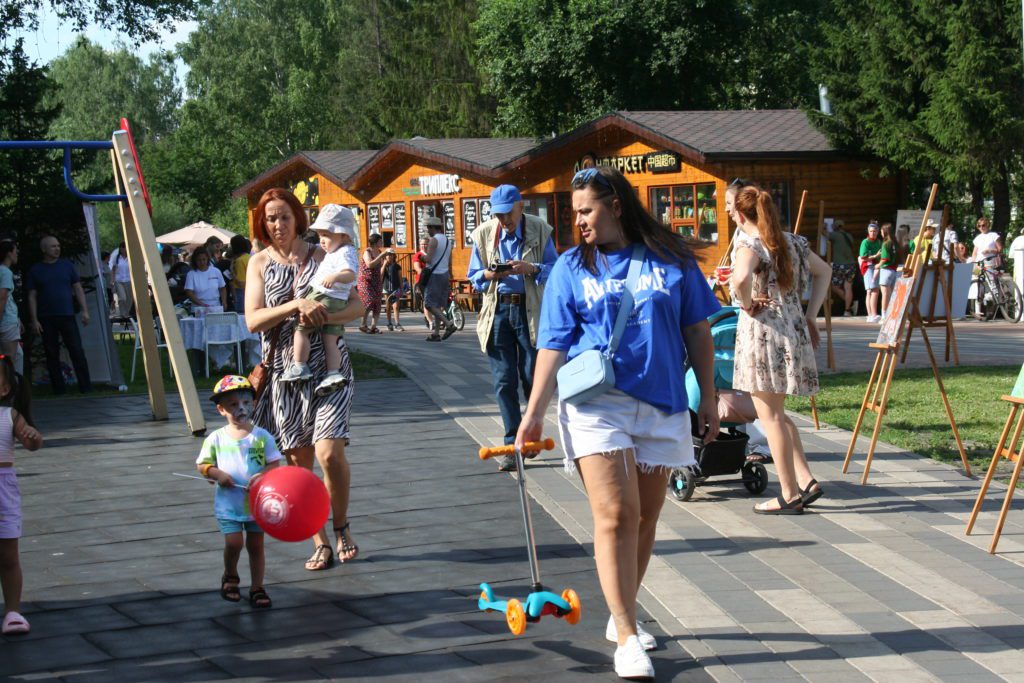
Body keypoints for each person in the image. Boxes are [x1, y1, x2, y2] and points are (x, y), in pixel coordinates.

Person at [515, 166, 720, 680]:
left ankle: (619, 611)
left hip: (662, 402)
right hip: (595, 404)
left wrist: (710, 399)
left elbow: (698, 331)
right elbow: (553, 344)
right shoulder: (569, 266)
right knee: (615, 515)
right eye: (574, 211)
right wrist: (534, 412)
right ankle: (628, 636)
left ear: (616, 205)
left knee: (646, 520)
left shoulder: (670, 259)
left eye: (586, 210)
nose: (577, 220)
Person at [246, 188, 365, 571]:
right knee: (299, 461)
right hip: (285, 371)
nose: (277, 225)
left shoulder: (323, 254)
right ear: (262, 224)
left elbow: (358, 306)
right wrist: (295, 305)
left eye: (283, 216)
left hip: (327, 363)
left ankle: (342, 524)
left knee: (330, 452)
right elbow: (253, 320)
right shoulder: (259, 263)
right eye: (270, 218)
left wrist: (327, 318)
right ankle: (321, 540)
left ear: (298, 218)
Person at [729, 182, 830, 516]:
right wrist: (811, 315)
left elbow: (740, 279)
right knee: (778, 413)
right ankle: (806, 481)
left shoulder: (749, 243)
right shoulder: (790, 241)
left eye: (732, 212)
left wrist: (745, 304)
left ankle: (788, 494)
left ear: (742, 214)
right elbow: (825, 271)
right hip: (792, 328)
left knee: (768, 416)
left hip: (764, 333)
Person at [467, 184, 558, 471]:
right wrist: (491, 273)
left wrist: (530, 269)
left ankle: (530, 436)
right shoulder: (484, 233)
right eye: (498, 214)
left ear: (521, 206)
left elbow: (556, 270)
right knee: (504, 380)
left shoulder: (541, 229)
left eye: (508, 213)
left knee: (532, 376)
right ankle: (511, 445)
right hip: (498, 311)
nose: (504, 220)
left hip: (530, 310)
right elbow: (474, 277)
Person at [196, 375, 282, 609]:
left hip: (256, 503)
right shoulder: (216, 438)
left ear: (253, 404)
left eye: (245, 403)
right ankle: (230, 575)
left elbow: (274, 463)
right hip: (229, 504)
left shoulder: (262, 437)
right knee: (234, 543)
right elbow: (202, 465)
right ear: (221, 409)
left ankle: (257, 586)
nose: (241, 408)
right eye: (233, 404)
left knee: (256, 545)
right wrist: (217, 474)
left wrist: (263, 475)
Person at [281, 204, 359, 396]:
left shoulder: (345, 252)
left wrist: (335, 277)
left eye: (327, 236)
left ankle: (299, 365)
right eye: (321, 235)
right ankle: (333, 372)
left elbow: (350, 274)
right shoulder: (338, 251)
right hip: (335, 300)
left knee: (301, 329)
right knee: (329, 339)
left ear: (344, 235)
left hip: (324, 295)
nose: (322, 241)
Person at [0, 354, 44, 635]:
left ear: (4, 389)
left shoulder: (9, 415)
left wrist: (31, 436)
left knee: (8, 557)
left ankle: (13, 611)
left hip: (2, 491)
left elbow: (31, 442)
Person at [27, 235, 92, 394]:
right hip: (46, 317)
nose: (57, 248)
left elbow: (77, 288)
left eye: (58, 245)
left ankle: (85, 387)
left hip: (67, 315)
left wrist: (85, 310)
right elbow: (32, 296)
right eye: (53, 246)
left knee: (76, 350)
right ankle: (59, 389)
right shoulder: (36, 270)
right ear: (44, 249)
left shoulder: (67, 266)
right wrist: (34, 319)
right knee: (51, 353)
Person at [422, 217, 457, 341]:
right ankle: (436, 333)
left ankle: (449, 324)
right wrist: (450, 273)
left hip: (434, 274)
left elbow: (429, 259)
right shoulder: (447, 240)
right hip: (444, 274)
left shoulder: (434, 240)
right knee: (437, 305)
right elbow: (450, 260)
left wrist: (422, 256)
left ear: (432, 227)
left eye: (428, 228)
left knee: (429, 304)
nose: (428, 230)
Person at [357, 234, 388, 334]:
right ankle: (363, 324)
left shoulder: (379, 252)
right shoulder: (368, 251)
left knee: (377, 303)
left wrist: (386, 260)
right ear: (375, 242)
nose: (382, 243)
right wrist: (381, 256)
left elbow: (380, 267)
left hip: (376, 280)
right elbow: (369, 264)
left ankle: (373, 327)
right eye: (380, 241)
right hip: (365, 280)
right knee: (369, 300)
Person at [826, 219, 858, 316]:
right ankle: (847, 310)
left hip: (839, 265)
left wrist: (824, 227)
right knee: (848, 287)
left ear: (834, 227)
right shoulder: (849, 236)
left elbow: (825, 234)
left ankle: (851, 303)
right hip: (851, 264)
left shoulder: (834, 235)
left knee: (834, 286)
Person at [184, 246, 227, 310]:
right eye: (199, 260)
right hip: (198, 308)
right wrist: (202, 305)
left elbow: (222, 288)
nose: (202, 262)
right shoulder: (191, 274)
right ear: (195, 260)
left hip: (215, 306)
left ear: (207, 258)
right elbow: (189, 293)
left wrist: (224, 301)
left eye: (204, 259)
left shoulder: (216, 271)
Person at [0, 242, 21, 361]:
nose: (17, 254)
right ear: (9, 253)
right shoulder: (6, 272)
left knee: (19, 355)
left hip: (11, 320)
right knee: (9, 360)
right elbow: (2, 297)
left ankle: (16, 379)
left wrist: (18, 319)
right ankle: (9, 380)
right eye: (15, 251)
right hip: (6, 322)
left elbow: (8, 299)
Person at [859, 222, 882, 322]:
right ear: (868, 232)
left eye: (874, 231)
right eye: (871, 231)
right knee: (874, 290)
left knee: (870, 291)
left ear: (878, 232)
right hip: (868, 267)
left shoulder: (878, 242)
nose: (872, 233)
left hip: (876, 266)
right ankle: (873, 314)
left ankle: (870, 315)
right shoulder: (865, 242)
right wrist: (875, 256)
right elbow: (863, 257)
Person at [877, 223, 901, 319]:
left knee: (885, 294)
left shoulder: (886, 243)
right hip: (894, 270)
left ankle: (884, 315)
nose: (881, 233)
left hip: (886, 270)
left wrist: (877, 265)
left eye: (882, 231)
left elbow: (885, 259)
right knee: (891, 294)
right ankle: (892, 314)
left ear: (885, 232)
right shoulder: (896, 243)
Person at [107, 242, 133, 320]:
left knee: (129, 299)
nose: (125, 249)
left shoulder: (131, 257)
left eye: (126, 248)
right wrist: (112, 280)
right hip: (119, 281)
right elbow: (113, 270)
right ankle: (122, 313)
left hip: (129, 280)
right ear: (121, 249)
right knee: (122, 298)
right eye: (123, 248)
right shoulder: (116, 258)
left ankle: (126, 313)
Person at [381, 251, 406, 331]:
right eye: (388, 255)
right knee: (388, 306)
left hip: (396, 288)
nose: (390, 256)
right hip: (386, 288)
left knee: (396, 306)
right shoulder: (383, 266)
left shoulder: (397, 266)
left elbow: (400, 278)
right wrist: (384, 265)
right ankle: (389, 323)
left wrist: (401, 289)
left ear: (394, 256)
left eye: (391, 255)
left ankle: (397, 323)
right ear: (385, 256)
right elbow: (380, 276)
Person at [413, 237, 433, 330]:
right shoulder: (418, 255)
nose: (424, 246)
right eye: (422, 244)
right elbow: (418, 268)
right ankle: (430, 321)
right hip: (423, 281)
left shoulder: (432, 255)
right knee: (427, 301)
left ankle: (431, 318)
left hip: (434, 280)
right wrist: (426, 275)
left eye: (425, 244)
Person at [229, 235, 252, 314]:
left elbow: (241, 283)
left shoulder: (239, 261)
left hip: (242, 294)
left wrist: (232, 272)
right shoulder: (250, 257)